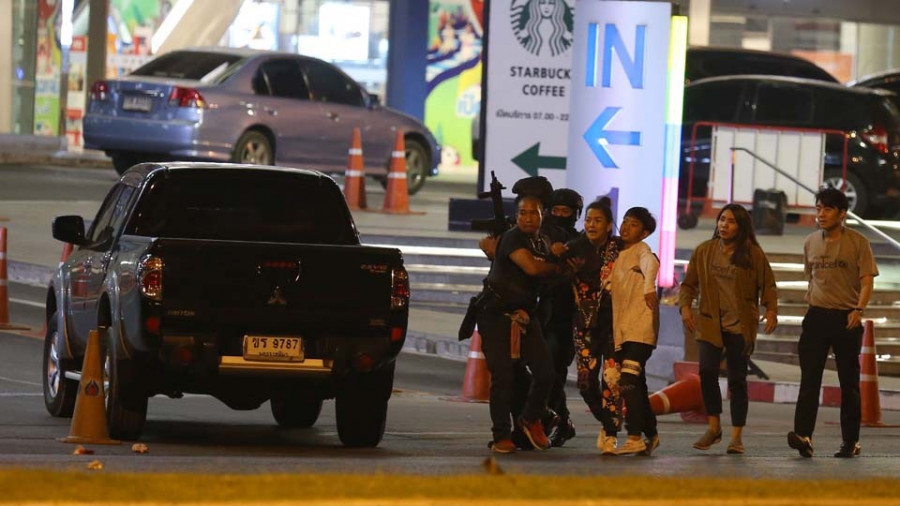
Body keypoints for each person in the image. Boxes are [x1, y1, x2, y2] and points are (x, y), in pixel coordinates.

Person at [680, 204, 778, 454]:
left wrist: (771, 310)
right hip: (710, 322)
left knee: (737, 380)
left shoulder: (753, 254)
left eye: (731, 221)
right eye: (722, 219)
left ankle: (737, 437)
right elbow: (688, 285)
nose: (724, 225)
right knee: (708, 372)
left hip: (740, 326)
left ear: (741, 226)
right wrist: (685, 308)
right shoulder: (704, 251)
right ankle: (714, 427)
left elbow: (768, 285)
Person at [476, 180, 565, 454]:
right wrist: (557, 264)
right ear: (516, 216)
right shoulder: (513, 237)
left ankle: (530, 418)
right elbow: (533, 269)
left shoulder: (543, 241)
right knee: (503, 377)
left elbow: (544, 280)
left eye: (533, 212)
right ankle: (501, 435)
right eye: (523, 212)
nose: (527, 217)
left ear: (542, 215)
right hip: (496, 315)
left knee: (545, 372)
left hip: (526, 316)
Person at [787, 188, 878, 459]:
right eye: (817, 209)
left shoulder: (859, 242)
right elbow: (811, 277)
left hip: (846, 317)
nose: (821, 214)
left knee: (848, 383)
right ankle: (804, 436)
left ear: (842, 213)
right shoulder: (810, 242)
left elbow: (867, 280)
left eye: (827, 209)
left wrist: (858, 309)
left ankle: (850, 441)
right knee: (809, 380)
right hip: (816, 317)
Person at [564, 197, 625, 454]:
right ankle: (608, 420)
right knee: (586, 382)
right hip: (585, 326)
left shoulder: (620, 249)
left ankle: (611, 434)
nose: (591, 224)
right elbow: (553, 273)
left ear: (609, 225)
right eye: (588, 219)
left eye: (598, 220)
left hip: (614, 325)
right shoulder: (573, 248)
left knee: (612, 379)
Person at [609, 207, 660, 455]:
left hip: (640, 329)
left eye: (634, 224)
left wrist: (649, 286)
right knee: (636, 383)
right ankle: (651, 433)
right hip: (623, 330)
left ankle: (634, 435)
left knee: (628, 380)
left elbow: (651, 263)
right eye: (625, 222)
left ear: (645, 232)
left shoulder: (641, 251)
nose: (626, 227)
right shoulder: (620, 254)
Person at [539, 188, 583, 446]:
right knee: (540, 371)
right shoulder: (540, 238)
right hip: (540, 314)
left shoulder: (579, 244)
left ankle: (555, 419)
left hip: (564, 320)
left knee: (553, 371)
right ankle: (556, 420)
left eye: (564, 213)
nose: (558, 216)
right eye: (554, 212)